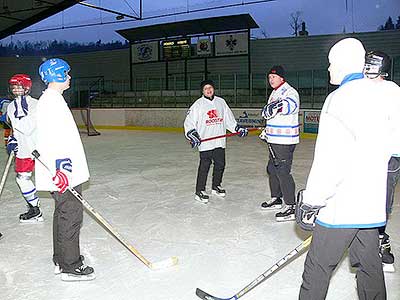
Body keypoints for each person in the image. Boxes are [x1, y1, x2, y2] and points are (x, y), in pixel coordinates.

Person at [296, 38, 400, 300]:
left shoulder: (339, 98)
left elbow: (330, 159)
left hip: (341, 204)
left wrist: (311, 200)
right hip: (370, 204)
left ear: (342, 64)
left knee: (317, 267)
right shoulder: (384, 94)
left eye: (331, 64)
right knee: (370, 266)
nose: (329, 69)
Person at [36, 58, 95, 281]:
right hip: (64, 170)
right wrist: (61, 169)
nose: (70, 77)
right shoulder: (51, 103)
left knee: (63, 213)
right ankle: (71, 265)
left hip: (63, 168)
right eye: (67, 73)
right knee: (71, 215)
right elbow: (53, 140)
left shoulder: (52, 100)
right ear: (58, 75)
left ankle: (61, 259)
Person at [184, 79, 248, 204]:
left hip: (219, 141)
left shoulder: (221, 102)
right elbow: (189, 121)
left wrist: (237, 128)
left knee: (220, 165)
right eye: (206, 88)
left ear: (213, 89)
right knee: (204, 167)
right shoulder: (198, 104)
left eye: (210, 88)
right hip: (206, 143)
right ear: (202, 91)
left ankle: (216, 186)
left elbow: (229, 120)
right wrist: (192, 133)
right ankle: (200, 191)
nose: (208, 90)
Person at [364, 50, 398, 273]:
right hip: (365, 156)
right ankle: (365, 239)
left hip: (387, 158)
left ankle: (379, 240)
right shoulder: (360, 89)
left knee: (380, 203)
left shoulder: (392, 91)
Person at [259, 65, 300, 222]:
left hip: (284, 140)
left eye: (274, 77)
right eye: (269, 77)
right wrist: (267, 132)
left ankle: (291, 206)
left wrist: (278, 106)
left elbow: (291, 105)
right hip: (274, 139)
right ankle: (276, 198)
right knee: (272, 169)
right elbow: (272, 116)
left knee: (282, 171)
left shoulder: (289, 91)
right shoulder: (275, 93)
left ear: (282, 78)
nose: (271, 80)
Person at [6, 74, 44, 223]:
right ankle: (35, 209)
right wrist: (11, 140)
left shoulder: (35, 104)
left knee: (51, 180)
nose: (16, 89)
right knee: (22, 179)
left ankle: (66, 207)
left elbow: (28, 128)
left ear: (27, 88)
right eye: (14, 87)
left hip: (39, 149)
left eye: (20, 86)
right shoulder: (10, 107)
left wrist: (21, 106)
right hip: (23, 150)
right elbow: (14, 128)